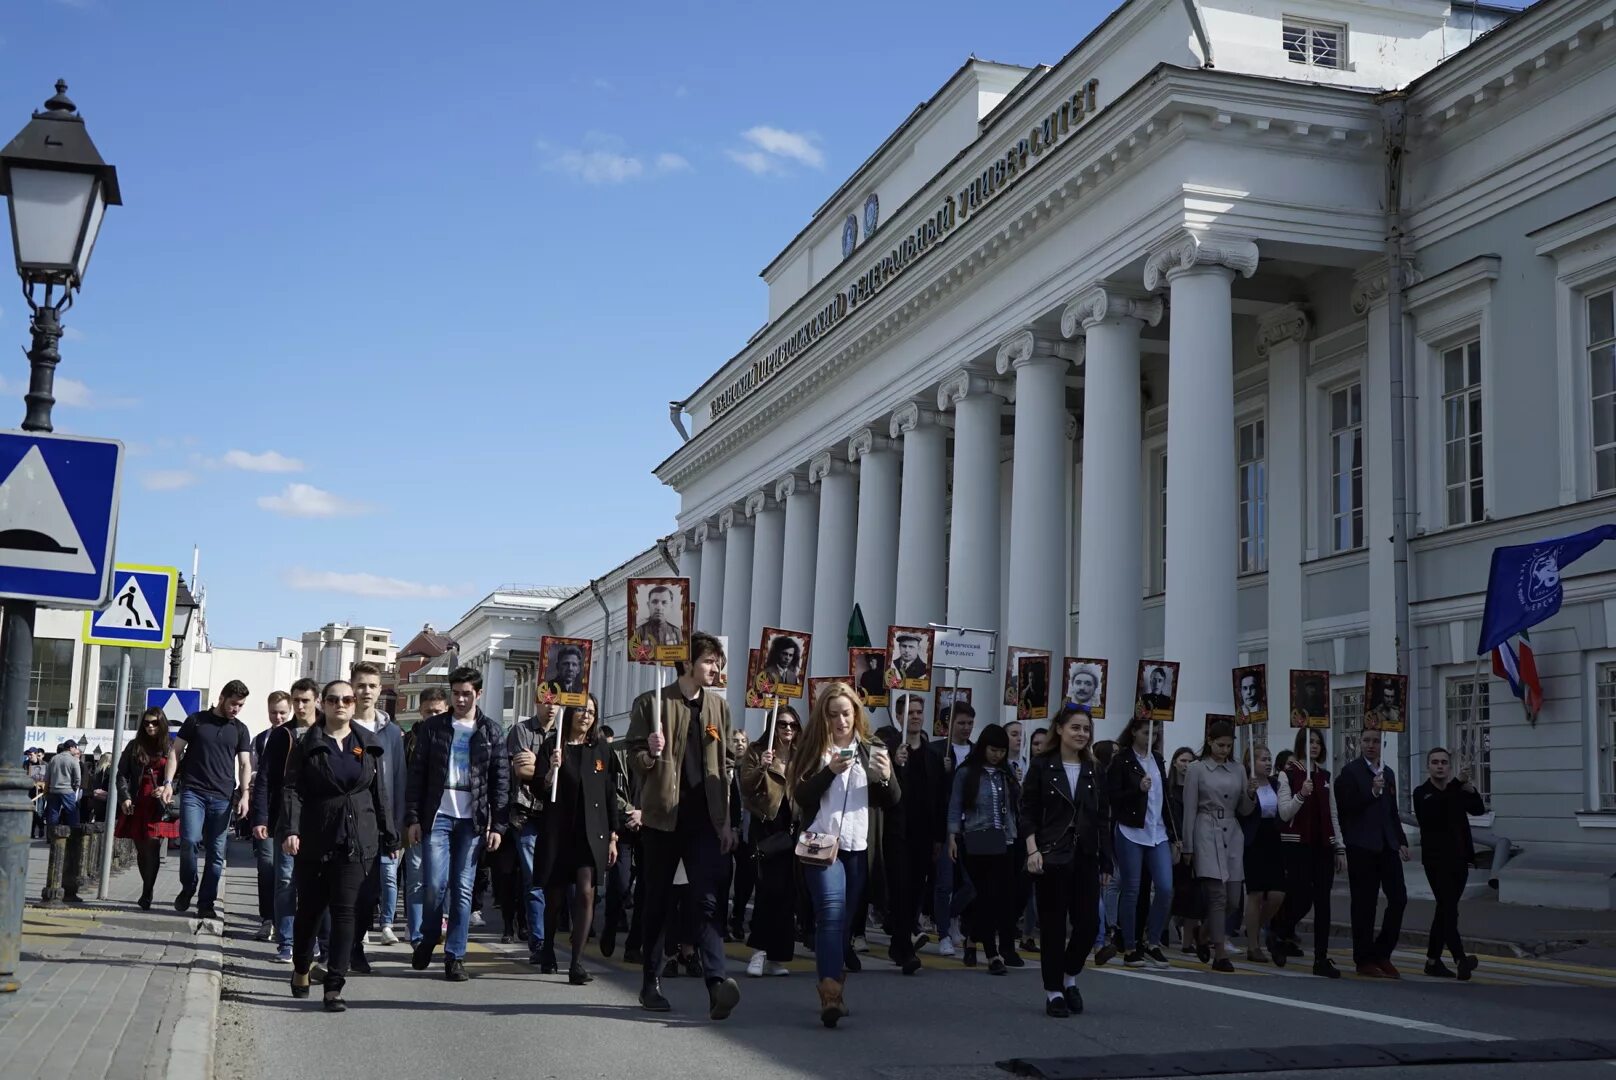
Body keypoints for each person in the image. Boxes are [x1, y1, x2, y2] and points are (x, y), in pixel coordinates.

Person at [626, 631, 742, 1019]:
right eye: (709, 661)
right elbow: (633, 758)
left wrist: (725, 822)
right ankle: (650, 982)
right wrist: (649, 753)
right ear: (688, 662)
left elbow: (724, 768)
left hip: (703, 820)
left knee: (706, 899)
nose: (716, 668)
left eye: (717, 662)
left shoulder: (718, 709)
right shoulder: (652, 703)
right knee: (657, 900)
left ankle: (716, 984)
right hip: (663, 817)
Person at [279, 679, 397, 1013]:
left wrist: (390, 834)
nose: (341, 704)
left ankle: (334, 986)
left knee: (346, 912)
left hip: (356, 839)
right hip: (315, 837)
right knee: (310, 911)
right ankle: (301, 965)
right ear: (323, 704)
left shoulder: (367, 744)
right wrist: (291, 829)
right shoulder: (308, 744)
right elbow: (292, 790)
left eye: (347, 699)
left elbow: (379, 793)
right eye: (334, 700)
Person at [788, 682, 899, 1028]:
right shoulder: (813, 748)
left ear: (856, 714)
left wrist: (885, 776)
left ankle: (831, 985)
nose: (840, 721)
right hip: (821, 847)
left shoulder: (871, 748)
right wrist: (829, 771)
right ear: (824, 716)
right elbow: (801, 796)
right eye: (833, 714)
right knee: (831, 915)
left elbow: (892, 798)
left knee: (844, 924)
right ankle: (831, 995)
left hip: (858, 848)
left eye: (846, 714)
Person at [406, 666, 510, 982]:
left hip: (473, 820)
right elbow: (417, 775)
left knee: (463, 889)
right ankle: (427, 938)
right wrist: (412, 818)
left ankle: (455, 956)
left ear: (478, 694)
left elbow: (501, 781)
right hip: (438, 816)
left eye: (467, 693)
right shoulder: (435, 728)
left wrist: (498, 826)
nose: (461, 699)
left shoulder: (491, 731)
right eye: (457, 693)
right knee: (435, 885)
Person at [1020, 704, 1113, 1018]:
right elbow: (1028, 811)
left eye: (1086, 729)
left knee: (1088, 925)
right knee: (1053, 927)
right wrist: (1032, 850)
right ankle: (1054, 991)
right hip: (1051, 856)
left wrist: (1106, 861)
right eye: (1075, 727)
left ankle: (1070, 975)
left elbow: (1102, 818)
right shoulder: (1043, 766)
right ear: (1059, 729)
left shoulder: (1095, 769)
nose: (1082, 734)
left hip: (1085, 855)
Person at [534, 693, 618, 985]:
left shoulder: (601, 751)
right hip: (559, 831)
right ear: (569, 713)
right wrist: (549, 773)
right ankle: (547, 949)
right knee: (555, 898)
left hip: (590, 833)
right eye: (581, 710)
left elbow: (610, 794)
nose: (586, 716)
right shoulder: (553, 747)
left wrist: (613, 836)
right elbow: (538, 789)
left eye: (592, 712)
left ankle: (577, 962)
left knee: (585, 893)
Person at [160, 682, 254, 920]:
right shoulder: (197, 721)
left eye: (241, 705)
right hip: (194, 791)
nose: (236, 709)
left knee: (216, 853)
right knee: (189, 840)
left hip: (222, 797)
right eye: (233, 703)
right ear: (222, 698)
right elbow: (175, 751)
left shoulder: (240, 729)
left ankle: (206, 903)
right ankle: (188, 885)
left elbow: (245, 764)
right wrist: (169, 782)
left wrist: (245, 793)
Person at [253, 679, 320, 962]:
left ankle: (313, 938)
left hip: (319, 820)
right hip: (285, 818)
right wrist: (261, 817)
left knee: (314, 884)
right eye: (296, 700)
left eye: (305, 700)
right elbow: (265, 778)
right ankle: (287, 941)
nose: (300, 706)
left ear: (316, 699)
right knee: (285, 881)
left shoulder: (326, 731)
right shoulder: (283, 735)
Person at [1271, 728, 1347, 977]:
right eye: (1309, 741)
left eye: (1317, 742)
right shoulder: (1288, 774)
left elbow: (1333, 813)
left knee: (1323, 901)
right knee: (1301, 896)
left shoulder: (1325, 776)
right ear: (1301, 744)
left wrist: (1339, 847)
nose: (1314, 746)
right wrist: (1301, 794)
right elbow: (1284, 813)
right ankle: (1279, 931)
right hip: (1296, 844)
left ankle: (1321, 959)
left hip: (1322, 845)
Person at [1106, 708, 1178, 969]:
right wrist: (1137, 789)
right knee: (1132, 889)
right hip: (1131, 830)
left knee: (1166, 887)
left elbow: (1166, 800)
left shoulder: (1158, 759)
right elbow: (1112, 796)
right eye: (1146, 731)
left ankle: (1153, 941)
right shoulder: (1122, 760)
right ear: (1134, 731)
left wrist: (1174, 834)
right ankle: (1130, 946)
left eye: (1155, 731)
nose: (1151, 736)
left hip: (1157, 831)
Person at [1335, 727, 1410, 978]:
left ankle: (1382, 952)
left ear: (1382, 744)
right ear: (1359, 743)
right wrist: (1372, 792)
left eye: (1376, 741)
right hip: (1362, 845)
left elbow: (1392, 810)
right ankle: (1364, 958)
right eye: (1366, 740)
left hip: (1387, 845)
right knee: (1365, 905)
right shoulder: (1350, 772)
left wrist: (1400, 840)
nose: (1371, 745)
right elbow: (1347, 807)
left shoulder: (1386, 772)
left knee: (1398, 898)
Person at [947, 723, 1021, 975]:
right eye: (993, 749)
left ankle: (971, 939)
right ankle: (992, 953)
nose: (997, 755)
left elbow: (1015, 807)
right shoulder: (967, 772)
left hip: (1005, 839)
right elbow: (956, 805)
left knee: (996, 896)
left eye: (1001, 750)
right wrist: (952, 837)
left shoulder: (1007, 773)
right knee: (985, 893)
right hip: (976, 838)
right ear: (983, 747)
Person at [1181, 720, 1253, 973]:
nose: (1224, 750)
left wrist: (1251, 795)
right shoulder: (1196, 769)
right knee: (1217, 895)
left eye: (1228, 745)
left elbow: (1245, 809)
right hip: (1206, 830)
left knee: (1234, 899)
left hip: (1232, 831)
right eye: (1220, 745)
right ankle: (1219, 952)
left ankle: (1204, 932)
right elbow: (1189, 808)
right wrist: (1187, 846)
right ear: (1210, 742)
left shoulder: (1238, 770)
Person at [349, 661, 405, 964]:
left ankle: (356, 945)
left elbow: (398, 780)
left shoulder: (392, 732)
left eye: (372, 685)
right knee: (348, 890)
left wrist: (395, 829)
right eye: (360, 685)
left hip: (381, 825)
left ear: (380, 689)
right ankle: (344, 947)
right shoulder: (343, 726)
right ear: (351, 687)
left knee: (372, 891)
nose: (366, 691)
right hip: (349, 821)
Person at [1413, 747, 1484, 980]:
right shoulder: (1422, 793)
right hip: (1436, 861)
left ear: (1449, 766)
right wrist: (1456, 785)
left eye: (1444, 762)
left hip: (1459, 859)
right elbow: (1434, 811)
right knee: (1448, 909)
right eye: (1435, 762)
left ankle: (1432, 962)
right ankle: (1460, 959)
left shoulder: (1456, 791)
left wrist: (1470, 788)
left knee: (1444, 910)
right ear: (1428, 766)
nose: (1440, 766)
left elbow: (1478, 809)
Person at [739, 704, 800, 978]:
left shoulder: (800, 755)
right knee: (766, 889)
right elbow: (746, 786)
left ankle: (778, 955)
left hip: (792, 828)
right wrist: (762, 767)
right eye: (783, 724)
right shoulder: (757, 750)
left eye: (793, 725)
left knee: (787, 894)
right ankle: (758, 951)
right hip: (766, 825)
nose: (788, 729)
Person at [507, 695, 559, 967]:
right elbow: (522, 769)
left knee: (554, 881)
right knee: (533, 880)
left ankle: (549, 938)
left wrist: (537, 762)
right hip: (527, 812)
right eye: (545, 701)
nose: (551, 707)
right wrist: (548, 766)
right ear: (536, 703)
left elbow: (563, 770)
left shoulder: (565, 732)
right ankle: (538, 942)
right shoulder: (522, 730)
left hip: (555, 815)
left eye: (556, 702)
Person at [893, 694, 943, 961]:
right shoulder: (893, 750)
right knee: (901, 887)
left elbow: (938, 797)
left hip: (924, 834)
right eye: (910, 712)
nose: (915, 716)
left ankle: (900, 942)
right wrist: (895, 762)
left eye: (918, 712)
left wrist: (938, 837)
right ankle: (904, 946)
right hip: (899, 832)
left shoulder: (933, 755)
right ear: (899, 717)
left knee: (915, 889)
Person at [115, 709, 181, 909]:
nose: (150, 726)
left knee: (153, 846)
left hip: (159, 804)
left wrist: (167, 787)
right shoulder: (134, 746)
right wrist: (125, 798)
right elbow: (121, 775)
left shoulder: (171, 747)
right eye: (146, 723)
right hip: (137, 802)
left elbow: (181, 776)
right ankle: (148, 886)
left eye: (154, 723)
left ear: (162, 724)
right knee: (142, 850)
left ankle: (147, 892)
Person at [403, 687, 449, 947]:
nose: (432, 715)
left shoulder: (453, 737)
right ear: (420, 711)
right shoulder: (409, 739)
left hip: (445, 817)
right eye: (428, 711)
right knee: (417, 878)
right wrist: (410, 818)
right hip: (417, 819)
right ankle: (417, 932)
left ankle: (440, 922)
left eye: (438, 711)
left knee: (441, 879)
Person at [929, 700, 975, 956]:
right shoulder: (938, 751)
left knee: (971, 884)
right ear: (950, 724)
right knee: (944, 882)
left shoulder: (977, 753)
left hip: (973, 826)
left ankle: (947, 917)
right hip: (947, 826)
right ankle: (944, 933)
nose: (966, 728)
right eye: (961, 723)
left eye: (969, 723)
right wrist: (944, 771)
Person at [250, 692, 293, 941]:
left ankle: (285, 921)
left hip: (291, 814)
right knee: (267, 867)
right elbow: (256, 778)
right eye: (273, 712)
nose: (277, 717)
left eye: (282, 713)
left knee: (286, 872)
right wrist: (258, 817)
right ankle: (268, 919)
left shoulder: (295, 735)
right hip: (267, 812)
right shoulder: (260, 740)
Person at [1238, 745, 1286, 963]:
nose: (1267, 763)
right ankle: (1253, 946)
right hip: (1254, 840)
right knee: (1255, 894)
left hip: (1274, 839)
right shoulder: (1246, 783)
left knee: (1277, 894)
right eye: (1263, 759)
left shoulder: (1276, 783)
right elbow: (1242, 811)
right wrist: (1249, 792)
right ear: (1251, 762)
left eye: (1270, 759)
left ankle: (1254, 927)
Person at [1166, 746, 1203, 954]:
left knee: (1193, 891)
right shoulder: (1169, 790)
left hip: (1194, 844)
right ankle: (1163, 928)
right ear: (1174, 763)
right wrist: (1174, 838)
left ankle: (1187, 938)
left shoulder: (1196, 790)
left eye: (1190, 761)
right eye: (1183, 761)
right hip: (1175, 845)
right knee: (1172, 890)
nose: (1186, 765)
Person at [44, 740, 82, 828]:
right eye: (75, 748)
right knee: (71, 813)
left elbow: (47, 776)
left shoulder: (54, 758)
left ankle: (51, 836)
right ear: (71, 748)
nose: (76, 750)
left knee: (53, 813)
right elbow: (78, 778)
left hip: (53, 790)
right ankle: (73, 836)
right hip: (67, 790)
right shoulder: (73, 760)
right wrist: (75, 788)